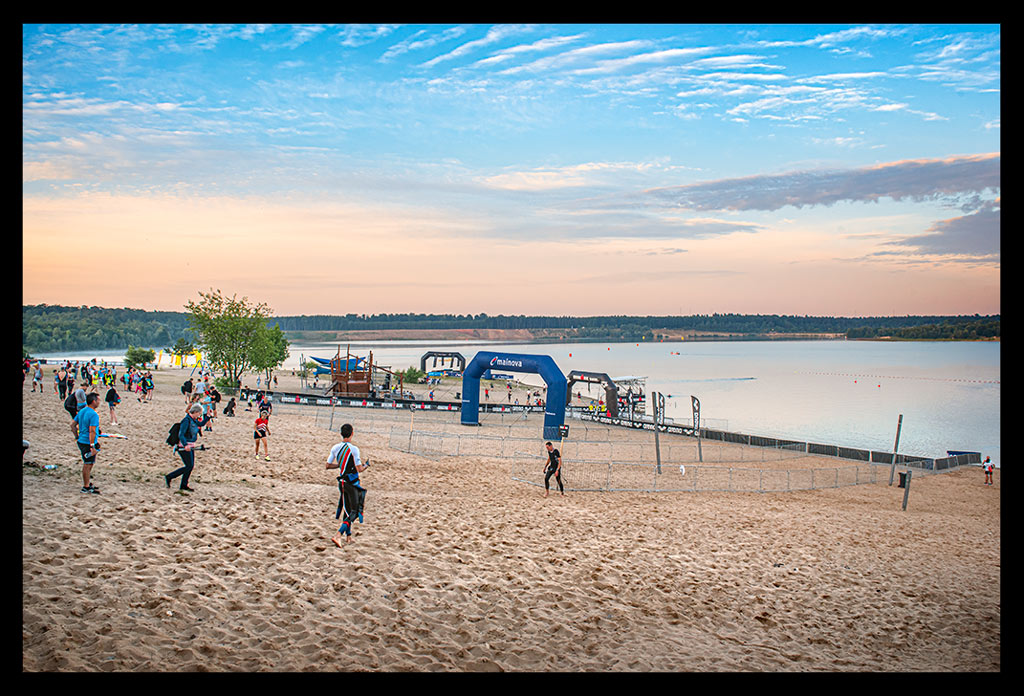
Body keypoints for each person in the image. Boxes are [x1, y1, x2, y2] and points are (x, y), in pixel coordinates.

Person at [326, 423, 370, 547]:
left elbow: (328, 465)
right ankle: (338, 535)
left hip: (342, 482)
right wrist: (366, 466)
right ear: (352, 434)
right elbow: (359, 469)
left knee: (347, 509)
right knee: (355, 511)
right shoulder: (354, 449)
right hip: (351, 483)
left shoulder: (335, 448)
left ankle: (348, 536)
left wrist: (339, 465)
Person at [165, 404, 210, 492]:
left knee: (190, 466)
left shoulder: (193, 420)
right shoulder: (186, 421)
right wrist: (185, 445)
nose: (199, 415)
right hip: (183, 446)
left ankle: (184, 485)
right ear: (195, 412)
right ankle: (170, 476)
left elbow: (201, 424)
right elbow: (181, 434)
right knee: (189, 466)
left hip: (191, 445)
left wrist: (208, 417)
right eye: (199, 413)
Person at [72, 392, 102, 494]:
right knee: (88, 464)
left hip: (82, 440)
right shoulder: (93, 414)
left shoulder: (82, 411)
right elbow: (92, 430)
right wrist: (92, 445)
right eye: (98, 400)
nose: (99, 402)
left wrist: (76, 436)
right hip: (87, 442)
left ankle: (87, 483)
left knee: (89, 463)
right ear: (93, 401)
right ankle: (86, 486)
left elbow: (72, 425)